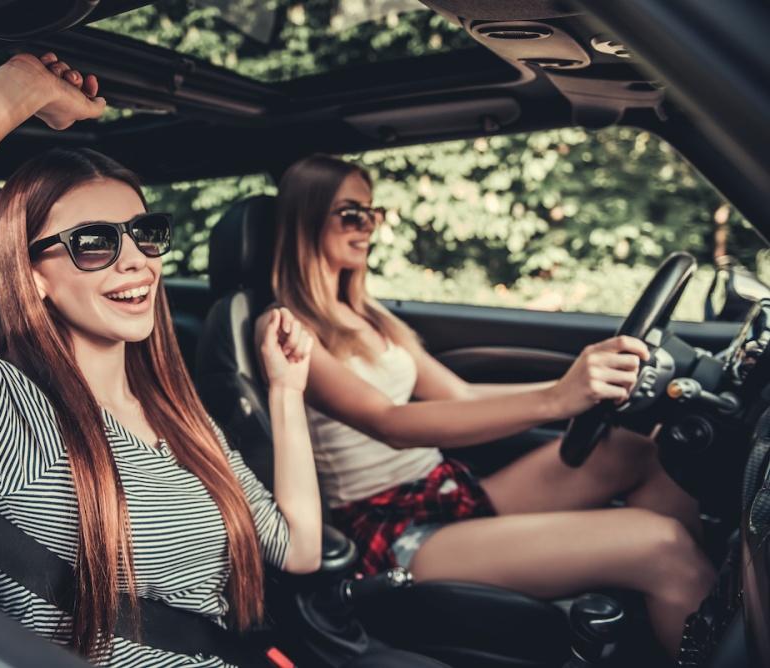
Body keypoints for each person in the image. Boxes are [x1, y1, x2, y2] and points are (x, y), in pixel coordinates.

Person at [0, 53, 324, 665]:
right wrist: (16, 90)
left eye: (144, 233)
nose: (135, 261)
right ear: (33, 276)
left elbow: (299, 548)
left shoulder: (178, 414)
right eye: (94, 242)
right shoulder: (16, 421)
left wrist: (285, 391)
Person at [259, 153, 716, 657]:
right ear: (305, 219)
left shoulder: (367, 314)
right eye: (351, 214)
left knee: (639, 450)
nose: (368, 226)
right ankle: (695, 604)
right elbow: (387, 422)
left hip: (444, 493)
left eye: (373, 213)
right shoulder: (283, 325)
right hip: (394, 532)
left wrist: (574, 392)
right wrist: (556, 397)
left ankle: (678, 612)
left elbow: (460, 395)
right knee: (663, 546)